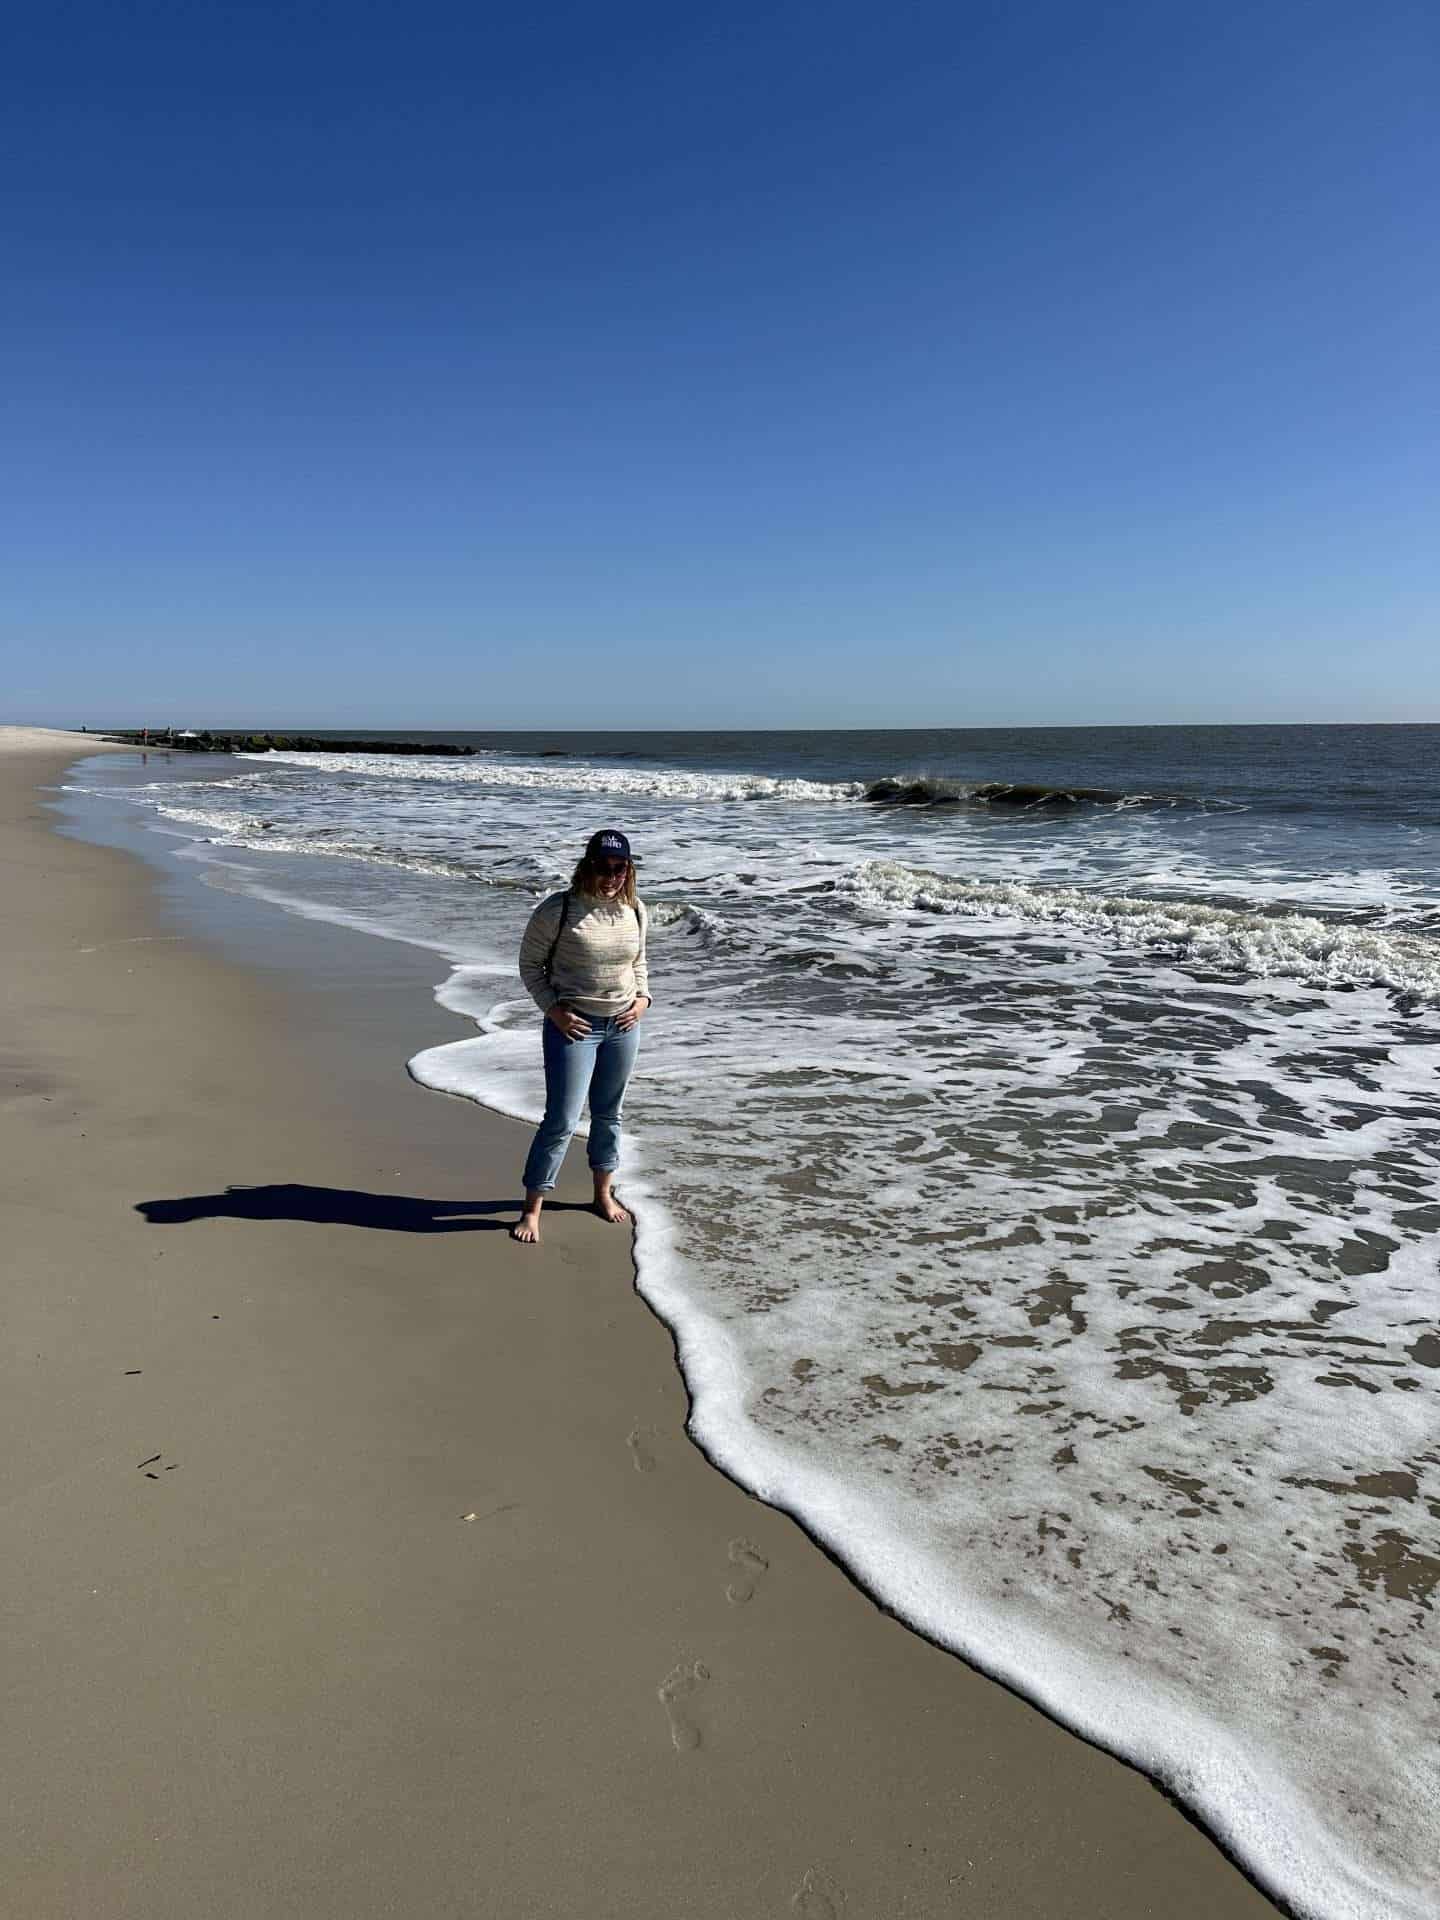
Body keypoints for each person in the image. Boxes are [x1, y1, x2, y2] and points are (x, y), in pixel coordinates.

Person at [511, 829, 651, 1244]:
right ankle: (531, 1209)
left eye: (619, 868)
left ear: (628, 870)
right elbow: (530, 966)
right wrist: (554, 1011)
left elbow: (639, 962)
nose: (610, 876)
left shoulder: (635, 910)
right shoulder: (559, 910)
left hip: (624, 1026)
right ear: (586, 866)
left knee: (609, 1115)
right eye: (602, 867)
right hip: (574, 1027)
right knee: (561, 1121)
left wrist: (643, 1000)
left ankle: (602, 1195)